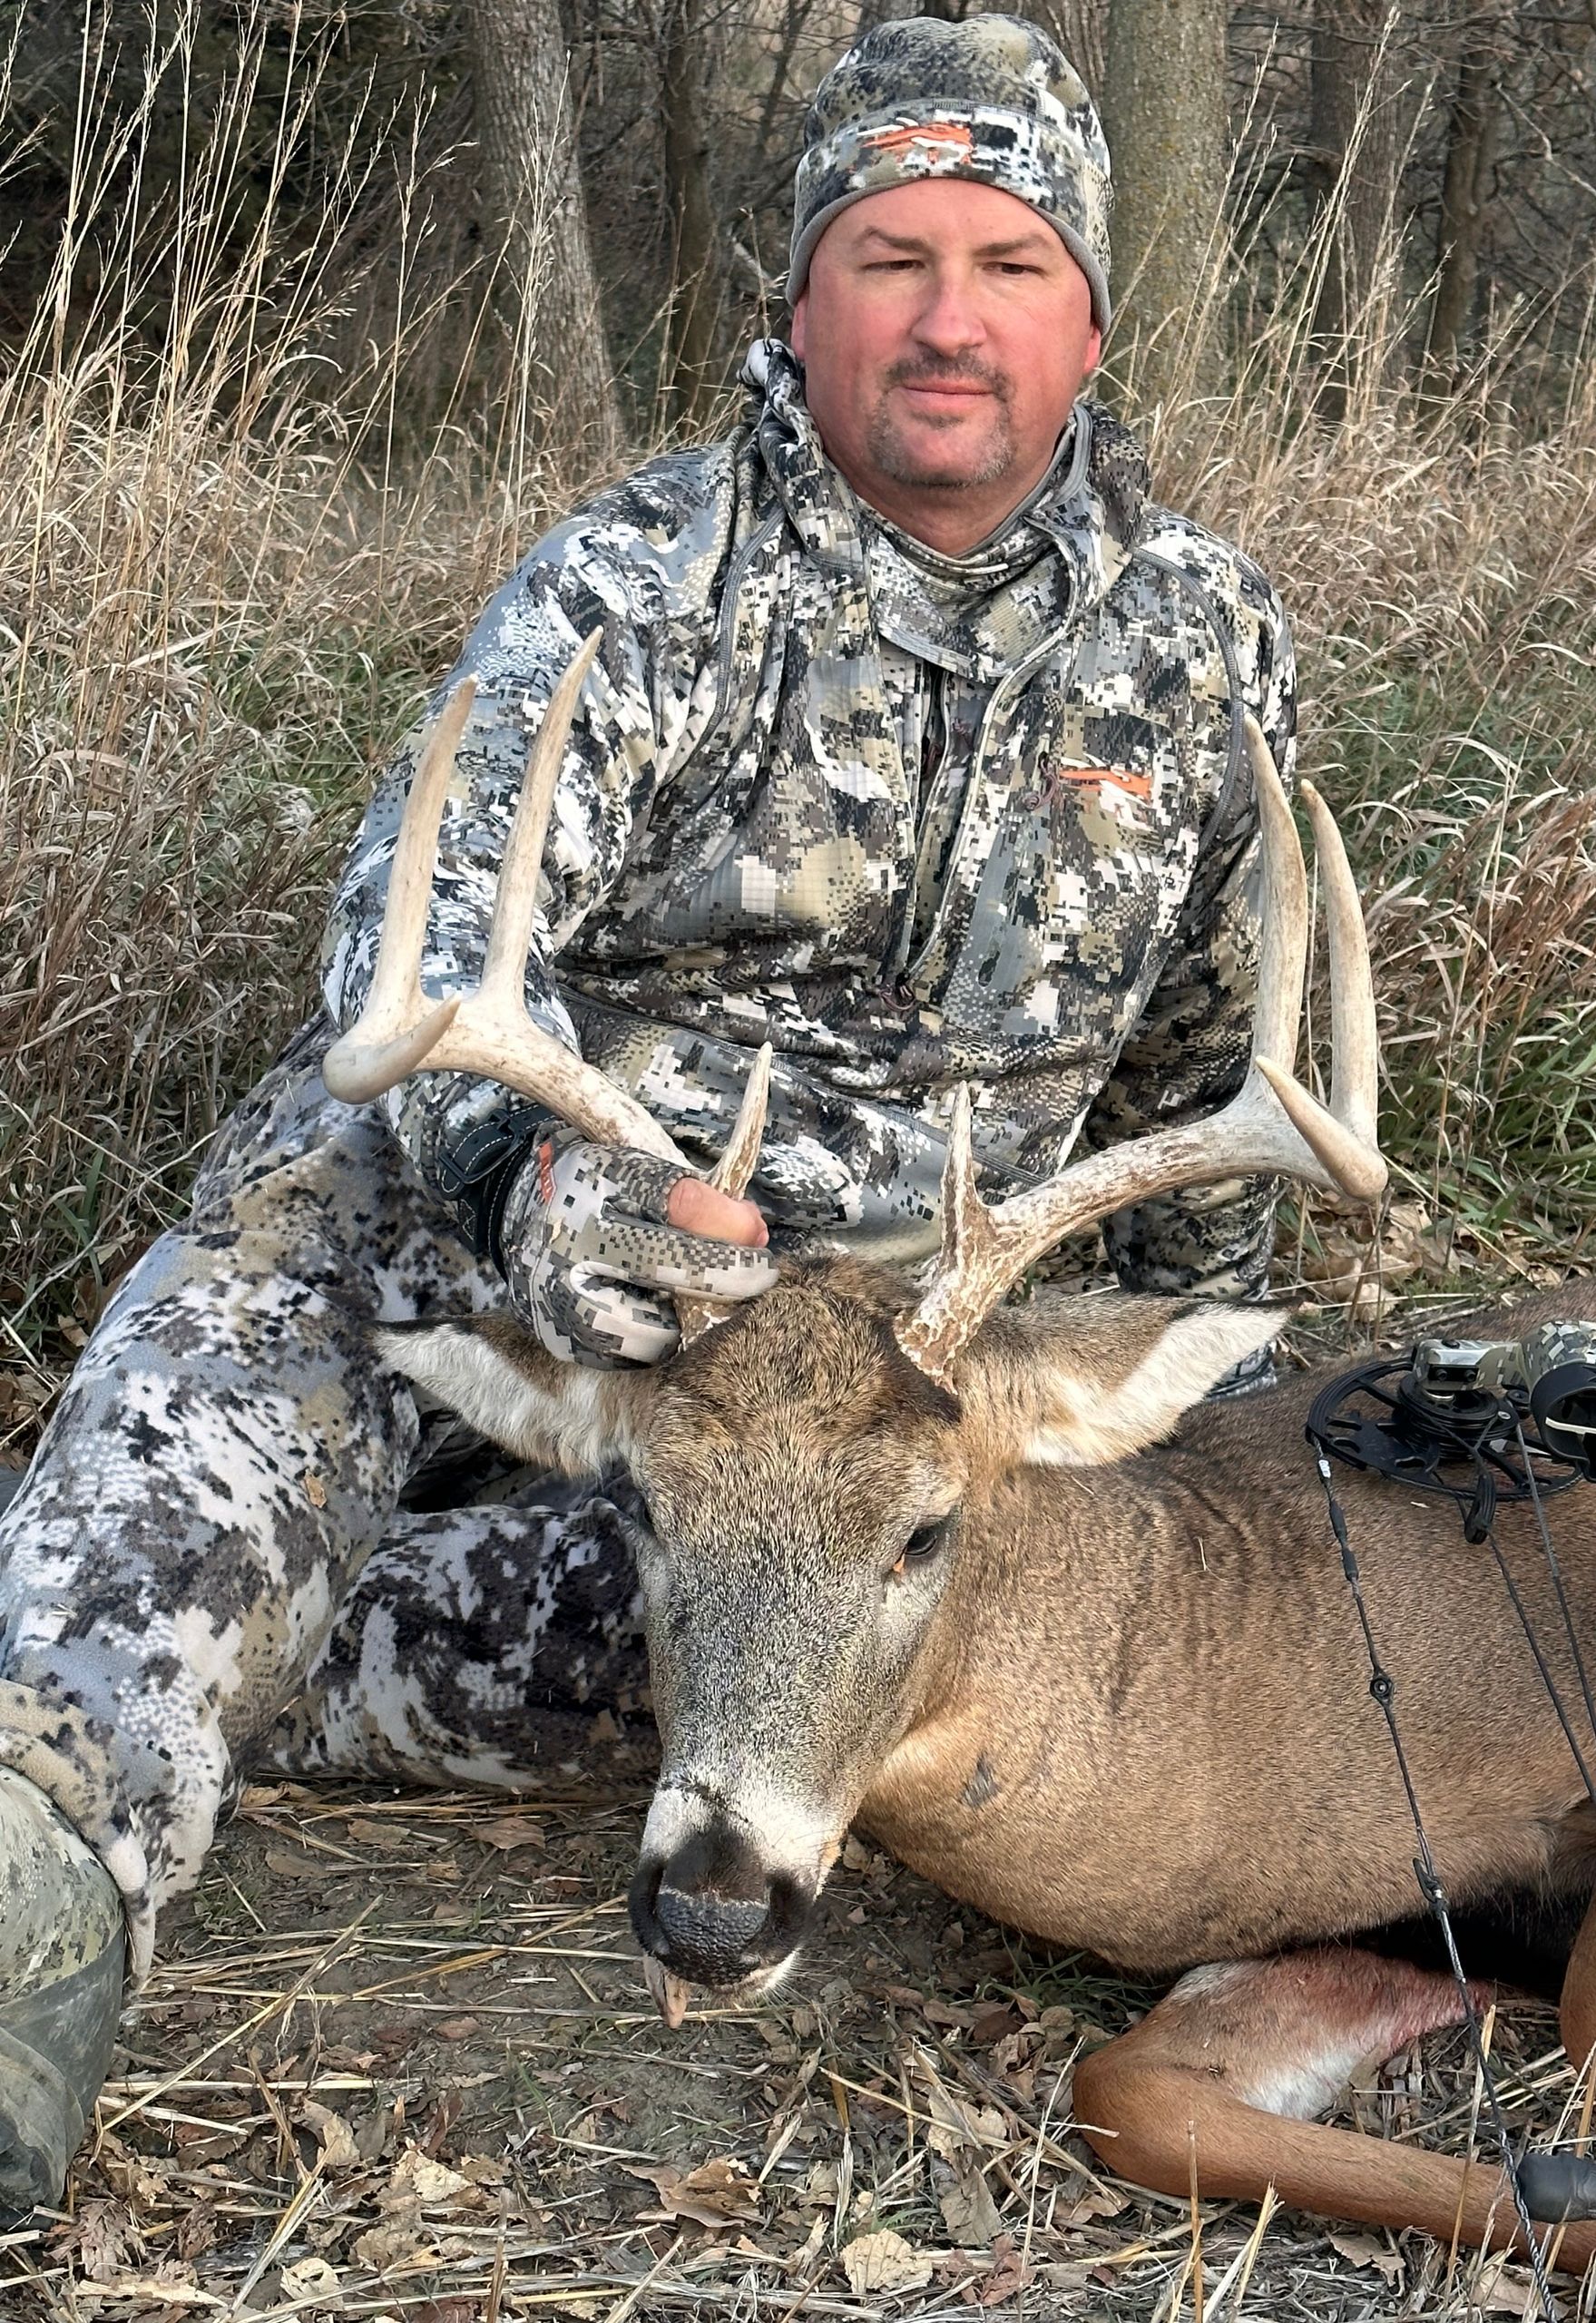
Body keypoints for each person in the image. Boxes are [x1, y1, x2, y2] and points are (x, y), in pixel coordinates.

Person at [0, 13, 1295, 2216]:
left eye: (1008, 262)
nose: (950, 316)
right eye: (890, 256)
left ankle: (226, 1632)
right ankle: (37, 1883)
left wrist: (1214, 1413)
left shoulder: (1203, 646)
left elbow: (1194, 1071)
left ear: (1090, 315)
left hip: (870, 1387)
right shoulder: (635, 583)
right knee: (182, 1502)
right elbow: (411, 970)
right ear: (799, 297)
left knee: (775, 1662)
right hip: (481, 1226)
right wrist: (542, 1172)